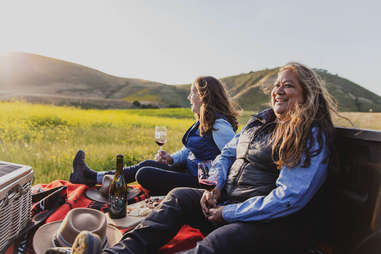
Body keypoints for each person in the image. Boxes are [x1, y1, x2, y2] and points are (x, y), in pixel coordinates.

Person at [51, 62, 336, 254]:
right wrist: (215, 188)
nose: (278, 90)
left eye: (288, 85)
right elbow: (226, 155)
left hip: (267, 224)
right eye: (276, 84)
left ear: (307, 95)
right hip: (227, 204)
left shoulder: (309, 135)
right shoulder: (258, 122)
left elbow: (288, 198)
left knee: (218, 242)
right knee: (178, 196)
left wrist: (228, 212)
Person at [69, 76, 239, 195]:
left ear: (204, 96)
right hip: (188, 171)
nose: (189, 97)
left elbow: (235, 160)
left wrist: (215, 188)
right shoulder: (204, 122)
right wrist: (171, 159)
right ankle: (92, 176)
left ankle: (93, 177)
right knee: (147, 164)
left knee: (144, 174)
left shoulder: (220, 126)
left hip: (200, 182)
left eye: (193, 92)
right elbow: (189, 151)